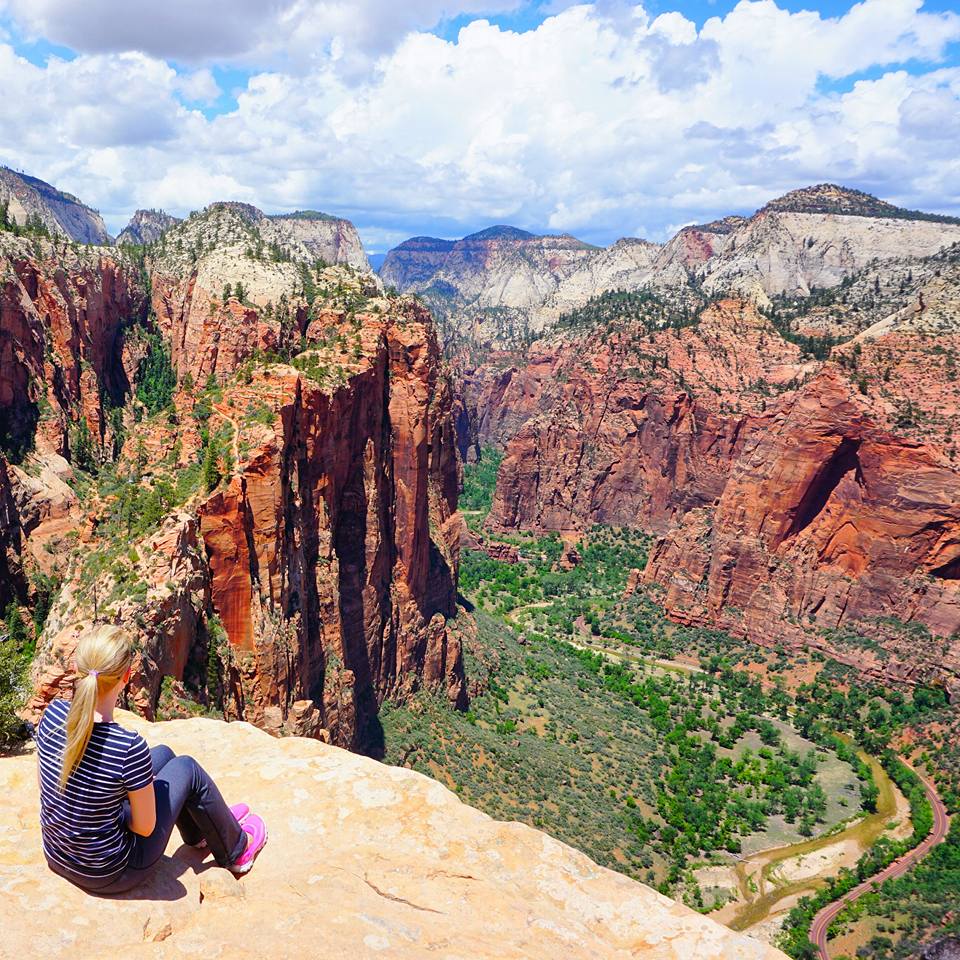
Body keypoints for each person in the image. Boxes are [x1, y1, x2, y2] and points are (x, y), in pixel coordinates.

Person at [35, 625, 267, 893]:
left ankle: (203, 831)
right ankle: (238, 850)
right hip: (110, 872)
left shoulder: (52, 714)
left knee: (165, 754)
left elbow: (53, 787)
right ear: (127, 676)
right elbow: (144, 828)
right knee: (186, 767)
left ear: (79, 668)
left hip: (56, 854)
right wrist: (134, 808)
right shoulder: (126, 746)